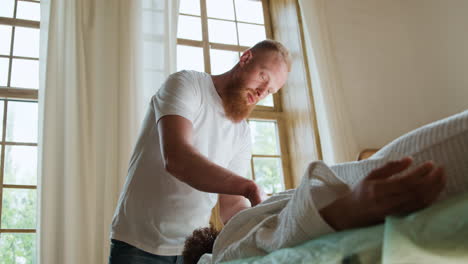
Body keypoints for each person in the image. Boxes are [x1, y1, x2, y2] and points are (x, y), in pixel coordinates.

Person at [183, 110, 468, 264]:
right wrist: (343, 209)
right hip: (358, 182)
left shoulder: (223, 248)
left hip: (362, 182)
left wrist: (344, 210)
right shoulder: (220, 251)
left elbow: (256, 243)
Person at [108, 40, 291, 264]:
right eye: (264, 77)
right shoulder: (187, 83)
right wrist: (249, 187)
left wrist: (262, 229)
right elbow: (177, 158)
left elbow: (232, 204)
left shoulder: (242, 133)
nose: (262, 92)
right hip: (139, 246)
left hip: (192, 252)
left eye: (270, 91)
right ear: (245, 58)